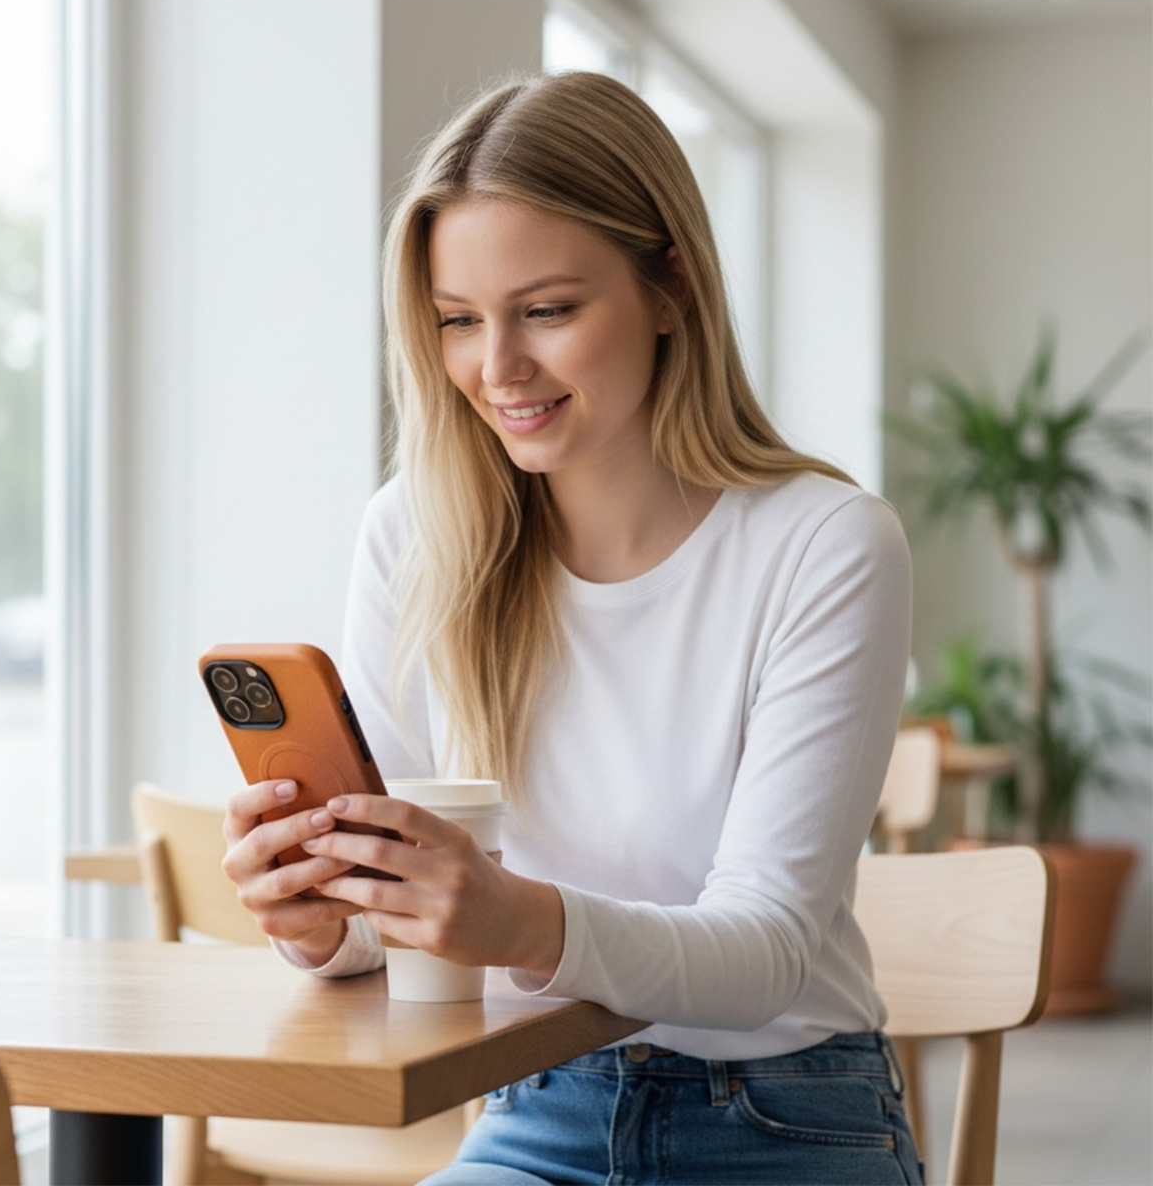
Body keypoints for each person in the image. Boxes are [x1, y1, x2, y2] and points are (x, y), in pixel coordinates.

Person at [222, 71, 921, 1185]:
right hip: (538, 1109)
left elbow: (767, 953)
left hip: (785, 1124)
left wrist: (517, 920)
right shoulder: (417, 536)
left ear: (670, 288)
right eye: (458, 322)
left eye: (547, 310)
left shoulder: (826, 543)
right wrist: (318, 919)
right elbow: (391, 930)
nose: (496, 371)